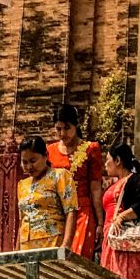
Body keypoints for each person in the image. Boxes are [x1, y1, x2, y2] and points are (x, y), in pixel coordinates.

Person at [15, 135, 74, 279]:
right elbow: (21, 220)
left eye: (33, 161)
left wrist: (66, 246)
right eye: (24, 162)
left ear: (46, 157)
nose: (28, 166)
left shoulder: (61, 176)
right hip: (27, 250)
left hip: (53, 246)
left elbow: (71, 211)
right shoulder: (22, 186)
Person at [47, 103, 104, 259]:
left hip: (82, 212)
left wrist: (100, 222)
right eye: (58, 129)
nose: (63, 133)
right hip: (56, 213)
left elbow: (95, 188)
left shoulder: (90, 148)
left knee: (77, 259)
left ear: (76, 125)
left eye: (67, 128)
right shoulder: (49, 151)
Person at [98, 143, 140, 279]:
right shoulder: (113, 184)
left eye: (108, 159)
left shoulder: (137, 180)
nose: (105, 164)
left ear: (117, 161)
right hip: (111, 238)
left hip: (127, 240)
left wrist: (122, 216)